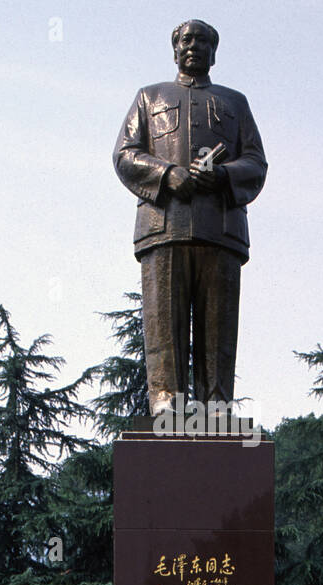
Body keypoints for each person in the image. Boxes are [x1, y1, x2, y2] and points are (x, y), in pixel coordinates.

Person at [113, 20, 267, 416]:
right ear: (175, 49)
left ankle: (216, 407)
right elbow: (125, 154)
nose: (194, 46)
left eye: (202, 41)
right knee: (164, 324)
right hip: (164, 228)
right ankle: (167, 405)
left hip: (221, 230)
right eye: (186, 40)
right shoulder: (149, 98)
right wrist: (166, 174)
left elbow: (256, 162)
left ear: (214, 52)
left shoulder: (236, 103)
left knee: (219, 330)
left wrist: (223, 175)